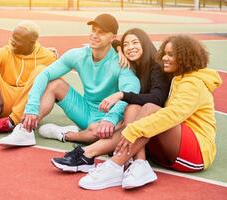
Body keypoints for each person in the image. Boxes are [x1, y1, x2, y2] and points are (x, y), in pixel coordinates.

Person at [78, 35, 222, 190]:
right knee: (135, 108)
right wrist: (120, 49)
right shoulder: (178, 78)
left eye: (170, 55)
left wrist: (133, 129)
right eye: (165, 53)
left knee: (150, 109)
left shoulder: (193, 83)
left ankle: (115, 165)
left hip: (196, 154)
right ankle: (139, 164)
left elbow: (173, 115)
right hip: (172, 149)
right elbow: (114, 40)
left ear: (184, 57)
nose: (165, 58)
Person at [51, 28, 170, 189]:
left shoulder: (156, 66)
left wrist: (122, 95)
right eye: (126, 44)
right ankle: (67, 135)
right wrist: (120, 49)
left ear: (145, 44)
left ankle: (88, 153)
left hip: (154, 124)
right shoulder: (131, 62)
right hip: (136, 122)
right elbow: (113, 42)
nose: (130, 47)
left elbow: (157, 99)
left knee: (131, 110)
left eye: (135, 43)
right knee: (99, 128)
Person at [0, 13, 140, 146]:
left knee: (100, 133)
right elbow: (45, 75)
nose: (95, 35)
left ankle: (64, 133)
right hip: (84, 110)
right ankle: (25, 130)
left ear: (113, 37)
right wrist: (32, 108)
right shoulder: (77, 55)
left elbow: (130, 91)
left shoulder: (121, 63)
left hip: (107, 117)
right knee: (54, 83)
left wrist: (111, 118)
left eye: (101, 32)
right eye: (93, 30)